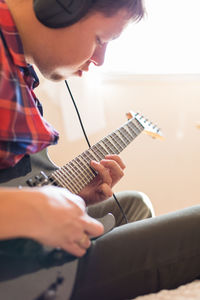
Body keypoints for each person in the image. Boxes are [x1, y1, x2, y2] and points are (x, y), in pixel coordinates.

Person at [0, 0, 200, 299]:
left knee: (132, 204)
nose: (100, 60)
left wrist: (69, 196)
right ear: (61, 7)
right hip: (15, 270)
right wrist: (23, 210)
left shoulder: (15, 66)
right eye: (100, 39)